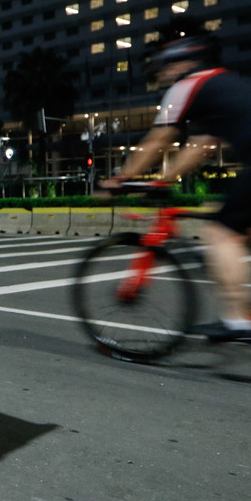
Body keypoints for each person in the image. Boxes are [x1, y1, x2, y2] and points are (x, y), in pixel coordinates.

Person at [102, 31, 251, 341]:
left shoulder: (188, 86)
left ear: (184, 64)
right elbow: (198, 146)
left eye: (167, 68)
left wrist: (119, 179)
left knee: (221, 233)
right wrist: (163, 179)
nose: (165, 75)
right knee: (239, 233)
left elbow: (159, 138)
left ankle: (239, 321)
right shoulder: (224, 84)